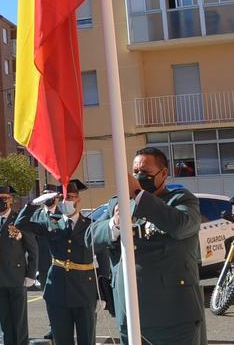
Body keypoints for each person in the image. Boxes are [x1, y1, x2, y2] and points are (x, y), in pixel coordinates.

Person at [89, 147, 204, 344]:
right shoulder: (118, 204)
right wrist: (114, 223)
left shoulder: (180, 200)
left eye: (145, 173)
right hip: (130, 314)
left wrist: (137, 193)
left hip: (173, 315)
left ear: (164, 173)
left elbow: (180, 225)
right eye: (135, 172)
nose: (139, 177)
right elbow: (89, 237)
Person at [21, 180, 103, 345]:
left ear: (78, 199)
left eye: (71, 197)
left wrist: (102, 293)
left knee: (87, 339)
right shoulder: (53, 222)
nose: (68, 202)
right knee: (62, 340)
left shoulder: (91, 225)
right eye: (64, 198)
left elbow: (102, 258)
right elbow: (21, 223)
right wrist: (32, 203)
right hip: (57, 291)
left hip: (84, 292)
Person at [0, 186, 38, 345]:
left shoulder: (20, 220)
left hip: (16, 278)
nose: (0, 202)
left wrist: (31, 274)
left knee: (19, 321)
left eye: (3, 199)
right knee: (4, 322)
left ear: (11, 200)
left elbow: (33, 250)